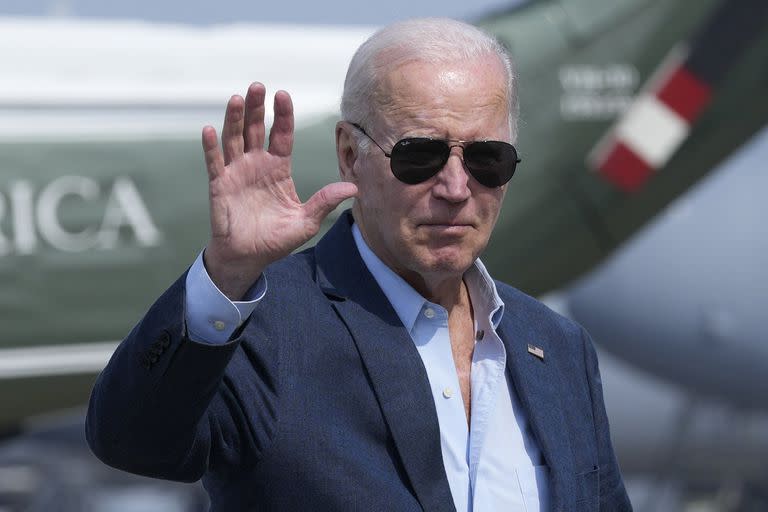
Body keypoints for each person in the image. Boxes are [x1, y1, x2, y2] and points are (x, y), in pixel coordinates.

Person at [86, 17, 632, 512]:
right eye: (420, 156)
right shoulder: (265, 329)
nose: (456, 188)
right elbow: (132, 441)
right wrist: (226, 274)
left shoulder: (557, 348)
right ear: (350, 153)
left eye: (488, 158)